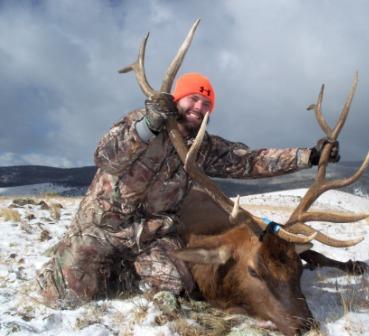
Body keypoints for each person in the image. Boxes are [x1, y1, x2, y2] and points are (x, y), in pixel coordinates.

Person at [36, 72, 340, 308]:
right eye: (193, 98)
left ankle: (126, 271)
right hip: (103, 227)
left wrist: (309, 156)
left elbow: (251, 161)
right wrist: (148, 126)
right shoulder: (140, 124)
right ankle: (78, 260)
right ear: (176, 99)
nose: (199, 107)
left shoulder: (205, 147)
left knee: (176, 283)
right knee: (60, 297)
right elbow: (104, 156)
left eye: (206, 103)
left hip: (152, 234)